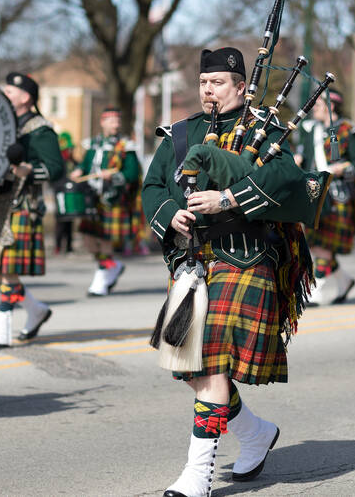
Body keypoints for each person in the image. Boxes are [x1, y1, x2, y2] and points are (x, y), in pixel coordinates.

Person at [143, 47, 314, 496]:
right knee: (193, 369)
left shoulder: (266, 130)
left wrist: (230, 199)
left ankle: (197, 476)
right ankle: (255, 432)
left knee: (212, 362)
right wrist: (171, 214)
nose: (207, 90)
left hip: (245, 256)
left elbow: (286, 180)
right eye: (203, 82)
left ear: (241, 86)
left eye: (217, 83)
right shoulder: (181, 133)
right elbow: (155, 184)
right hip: (192, 260)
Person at [0, 72, 64, 350]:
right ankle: (35, 309)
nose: (5, 94)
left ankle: (3, 329)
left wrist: (28, 170)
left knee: (6, 266)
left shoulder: (40, 129)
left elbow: (56, 168)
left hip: (22, 202)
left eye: (10, 91)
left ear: (25, 97)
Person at [295, 89, 355, 305]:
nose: (315, 110)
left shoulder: (348, 131)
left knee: (325, 243)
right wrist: (297, 159)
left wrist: (344, 167)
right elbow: (306, 157)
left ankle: (315, 290)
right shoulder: (310, 130)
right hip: (314, 193)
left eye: (319, 106)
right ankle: (344, 280)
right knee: (313, 243)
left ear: (331, 107)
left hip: (339, 196)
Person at [70, 108, 141, 296]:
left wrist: (114, 175)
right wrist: (78, 170)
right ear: (102, 122)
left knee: (105, 238)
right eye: (111, 120)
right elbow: (85, 165)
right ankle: (112, 266)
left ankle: (100, 280)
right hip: (91, 197)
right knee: (88, 238)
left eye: (117, 120)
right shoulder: (92, 144)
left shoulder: (126, 145)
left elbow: (133, 174)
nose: (115, 124)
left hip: (112, 199)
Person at [53, 131, 78, 255]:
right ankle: (58, 245)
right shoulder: (58, 163)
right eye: (68, 149)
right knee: (60, 219)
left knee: (70, 220)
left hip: (71, 194)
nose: (70, 151)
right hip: (60, 193)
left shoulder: (73, 162)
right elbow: (55, 178)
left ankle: (68, 246)